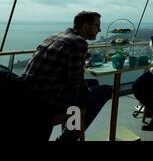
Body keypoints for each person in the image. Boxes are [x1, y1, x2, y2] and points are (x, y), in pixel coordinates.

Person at [22, 11, 112, 141]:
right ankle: (66, 139)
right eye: (97, 25)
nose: (99, 30)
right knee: (106, 90)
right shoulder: (78, 42)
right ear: (86, 26)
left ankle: (72, 124)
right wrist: (85, 96)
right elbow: (75, 83)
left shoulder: (54, 37)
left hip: (28, 96)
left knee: (93, 84)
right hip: (48, 101)